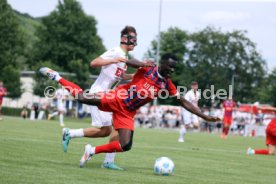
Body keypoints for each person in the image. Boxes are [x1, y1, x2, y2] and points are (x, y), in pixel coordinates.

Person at [39, 53, 220, 168]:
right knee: (82, 98)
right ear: (162, 63)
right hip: (117, 98)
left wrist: (204, 116)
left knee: (125, 145)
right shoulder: (148, 69)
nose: (172, 70)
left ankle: (91, 151)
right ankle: (57, 77)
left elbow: (184, 102)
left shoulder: (167, 84)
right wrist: (143, 63)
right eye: (170, 66)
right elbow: (129, 62)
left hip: (127, 112)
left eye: (174, 67)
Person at [61, 25, 139, 170]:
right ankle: (70, 134)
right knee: (106, 131)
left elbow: (120, 77)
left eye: (136, 39)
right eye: (133, 39)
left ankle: (107, 160)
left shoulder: (124, 57)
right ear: (124, 39)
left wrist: (134, 76)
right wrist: (113, 59)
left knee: (115, 128)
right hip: (99, 94)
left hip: (110, 96)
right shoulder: (116, 51)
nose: (135, 42)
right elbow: (94, 63)